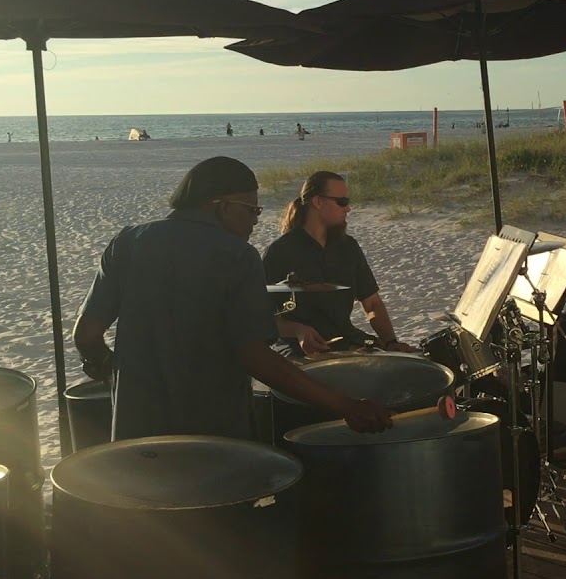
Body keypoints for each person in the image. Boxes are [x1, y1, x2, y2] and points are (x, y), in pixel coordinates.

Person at [72, 156, 392, 441]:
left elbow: (86, 335)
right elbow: (254, 357)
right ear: (222, 206)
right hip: (211, 437)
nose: (255, 219)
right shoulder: (238, 256)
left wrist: (111, 373)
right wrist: (345, 405)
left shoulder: (127, 242)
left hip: (133, 435)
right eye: (251, 210)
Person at [262, 171, 419, 355]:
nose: (348, 208)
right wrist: (298, 330)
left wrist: (391, 342)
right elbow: (261, 316)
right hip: (298, 348)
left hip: (346, 340)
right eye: (342, 202)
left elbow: (372, 304)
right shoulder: (280, 252)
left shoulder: (348, 247)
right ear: (318, 202)